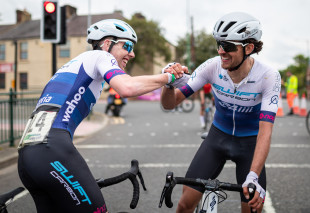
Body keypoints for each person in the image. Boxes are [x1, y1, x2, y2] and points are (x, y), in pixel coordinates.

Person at [17, 19, 186, 213]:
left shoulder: (71, 65)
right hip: (51, 150)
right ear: (107, 44)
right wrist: (170, 77)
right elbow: (127, 87)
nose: (131, 53)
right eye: (127, 46)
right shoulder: (99, 56)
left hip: (27, 156)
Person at [161, 12, 281, 213]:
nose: (221, 51)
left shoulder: (268, 77)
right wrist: (168, 83)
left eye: (228, 46)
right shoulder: (212, 67)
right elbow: (170, 104)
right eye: (219, 44)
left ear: (249, 48)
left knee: (252, 210)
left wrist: (253, 175)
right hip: (217, 139)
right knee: (184, 205)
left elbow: (265, 131)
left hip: (249, 145)